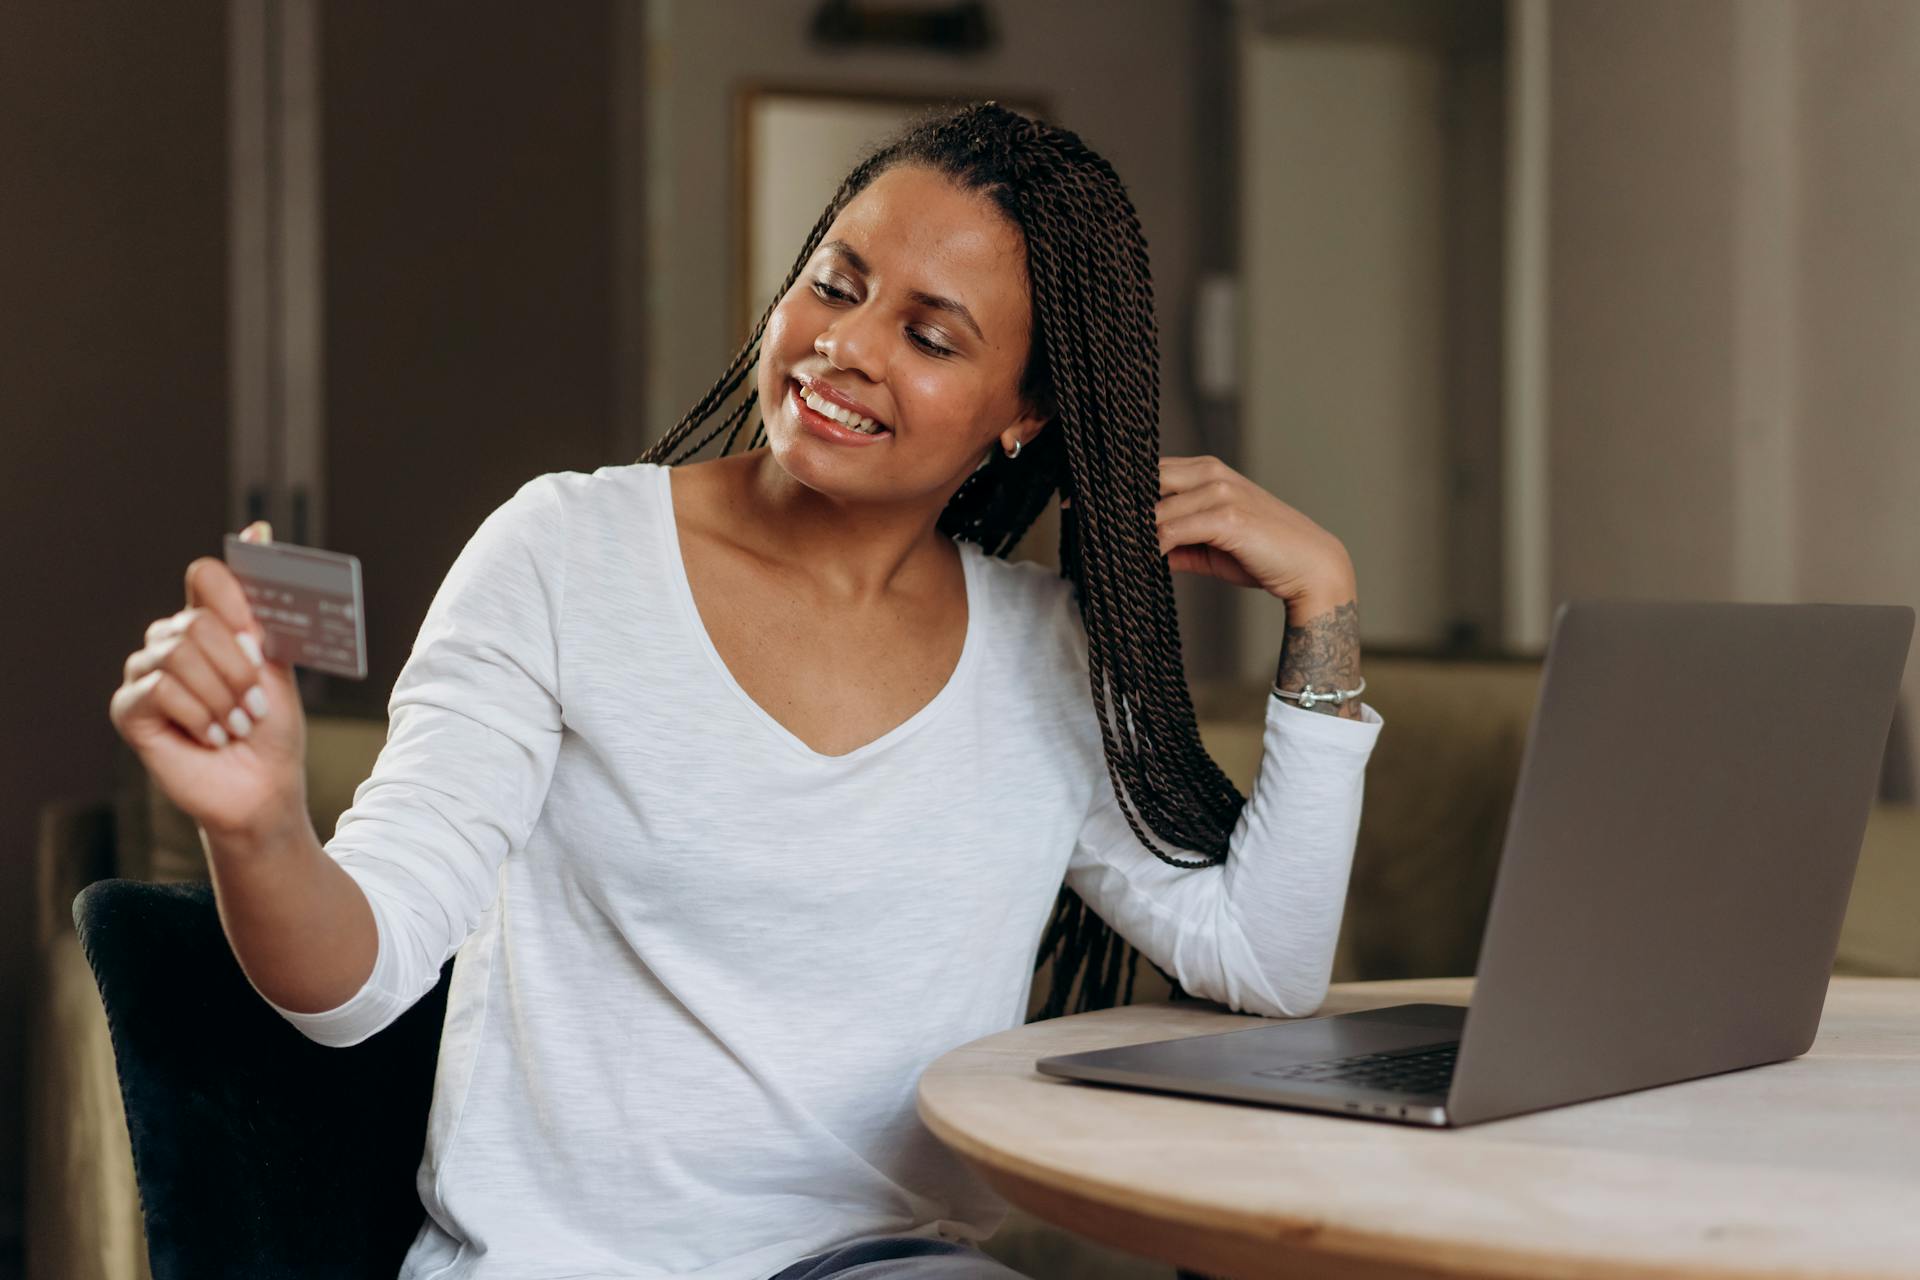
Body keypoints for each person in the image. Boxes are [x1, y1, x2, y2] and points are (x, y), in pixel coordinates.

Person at [110, 102, 1382, 1279]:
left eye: (930, 336)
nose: (844, 346)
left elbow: (1261, 961)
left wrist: (1323, 605)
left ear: (1023, 415)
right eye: (835, 282)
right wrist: (260, 821)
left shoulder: (1045, 656)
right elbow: (357, 982)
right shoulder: (564, 551)